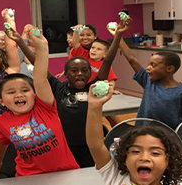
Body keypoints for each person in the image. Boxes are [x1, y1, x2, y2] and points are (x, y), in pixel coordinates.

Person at [8, 21, 127, 168]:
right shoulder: (58, 88)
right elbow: (38, 62)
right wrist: (20, 41)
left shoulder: (92, 90)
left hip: (90, 145)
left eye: (84, 71)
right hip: (64, 145)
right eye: (74, 71)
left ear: (90, 73)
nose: (80, 74)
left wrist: (118, 35)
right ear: (66, 74)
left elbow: (108, 60)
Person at [86, 83, 182, 185]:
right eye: (135, 151)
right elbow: (96, 145)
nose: (144, 157)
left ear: (168, 162)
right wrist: (94, 107)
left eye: (155, 153)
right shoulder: (116, 178)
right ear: (124, 158)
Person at [0, 28, 79, 176]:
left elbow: (40, 78)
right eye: (11, 92)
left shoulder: (44, 107)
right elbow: (1, 141)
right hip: (28, 178)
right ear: (1, 101)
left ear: (35, 94)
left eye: (25, 90)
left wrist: (42, 48)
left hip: (65, 173)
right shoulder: (1, 121)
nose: (19, 95)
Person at [115, 32, 182, 129]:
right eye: (149, 64)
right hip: (143, 132)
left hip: (168, 136)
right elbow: (132, 59)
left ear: (169, 69)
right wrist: (118, 35)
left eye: (153, 65)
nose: (148, 68)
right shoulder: (148, 81)